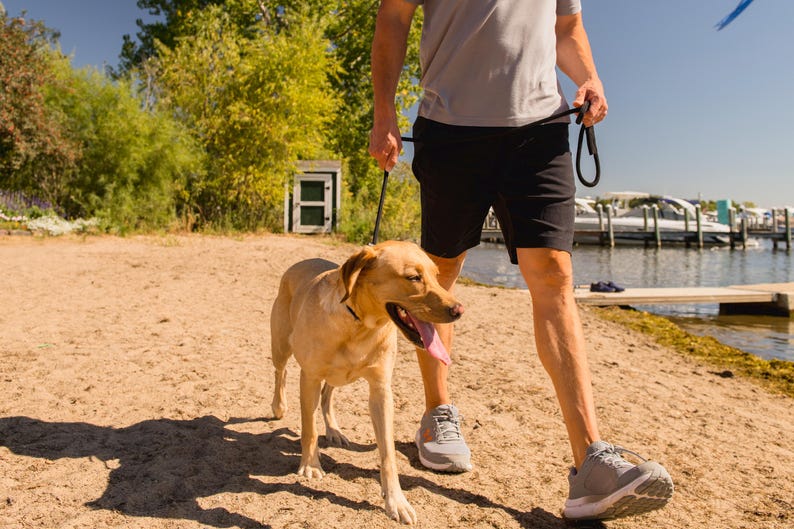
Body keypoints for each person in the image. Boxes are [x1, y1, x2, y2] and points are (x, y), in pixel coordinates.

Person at [368, 0, 673, 521]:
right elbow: (392, 19)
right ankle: (437, 413)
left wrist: (591, 77)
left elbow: (567, 26)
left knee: (555, 273)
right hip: (451, 128)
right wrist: (384, 111)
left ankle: (591, 462)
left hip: (542, 129)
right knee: (439, 275)